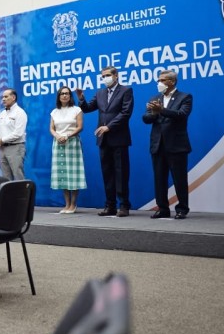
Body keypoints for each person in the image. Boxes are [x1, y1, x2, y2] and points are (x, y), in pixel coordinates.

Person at [76, 66, 134, 217]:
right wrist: (81, 98)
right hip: (103, 140)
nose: (105, 78)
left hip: (119, 138)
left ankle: (124, 205)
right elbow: (87, 108)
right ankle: (110, 206)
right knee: (107, 174)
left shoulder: (126, 90)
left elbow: (125, 113)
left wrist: (109, 127)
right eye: (103, 76)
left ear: (116, 76)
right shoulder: (100, 93)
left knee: (121, 173)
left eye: (107, 75)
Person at [142, 69, 192, 220]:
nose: (159, 83)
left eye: (162, 80)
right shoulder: (155, 98)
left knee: (179, 179)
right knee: (159, 179)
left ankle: (182, 209)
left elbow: (181, 115)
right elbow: (146, 118)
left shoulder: (185, 97)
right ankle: (162, 208)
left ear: (172, 81)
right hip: (158, 145)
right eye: (158, 80)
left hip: (176, 145)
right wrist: (154, 113)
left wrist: (161, 110)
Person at [49, 87, 86, 213]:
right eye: (62, 94)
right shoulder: (54, 112)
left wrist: (67, 136)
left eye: (67, 93)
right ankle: (67, 204)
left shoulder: (76, 109)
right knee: (63, 174)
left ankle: (73, 204)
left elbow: (80, 127)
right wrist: (57, 136)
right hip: (58, 143)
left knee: (73, 174)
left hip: (72, 143)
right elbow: (51, 128)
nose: (64, 96)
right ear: (59, 96)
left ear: (70, 96)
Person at [0, 88, 27, 180]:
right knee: (6, 178)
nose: (3, 99)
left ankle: (21, 191)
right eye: (2, 97)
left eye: (6, 97)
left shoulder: (20, 112)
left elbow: (18, 133)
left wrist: (2, 140)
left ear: (13, 97)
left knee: (18, 175)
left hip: (15, 148)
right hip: (2, 148)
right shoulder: (2, 114)